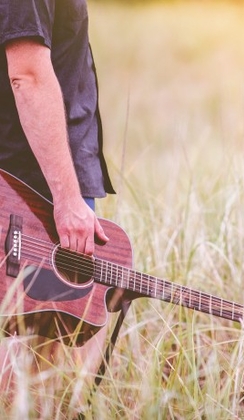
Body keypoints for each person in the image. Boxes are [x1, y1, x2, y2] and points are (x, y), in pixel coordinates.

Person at [0, 0, 119, 415]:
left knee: (49, 357)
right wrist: (68, 200)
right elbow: (27, 75)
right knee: (35, 352)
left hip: (41, 183)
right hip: (32, 191)